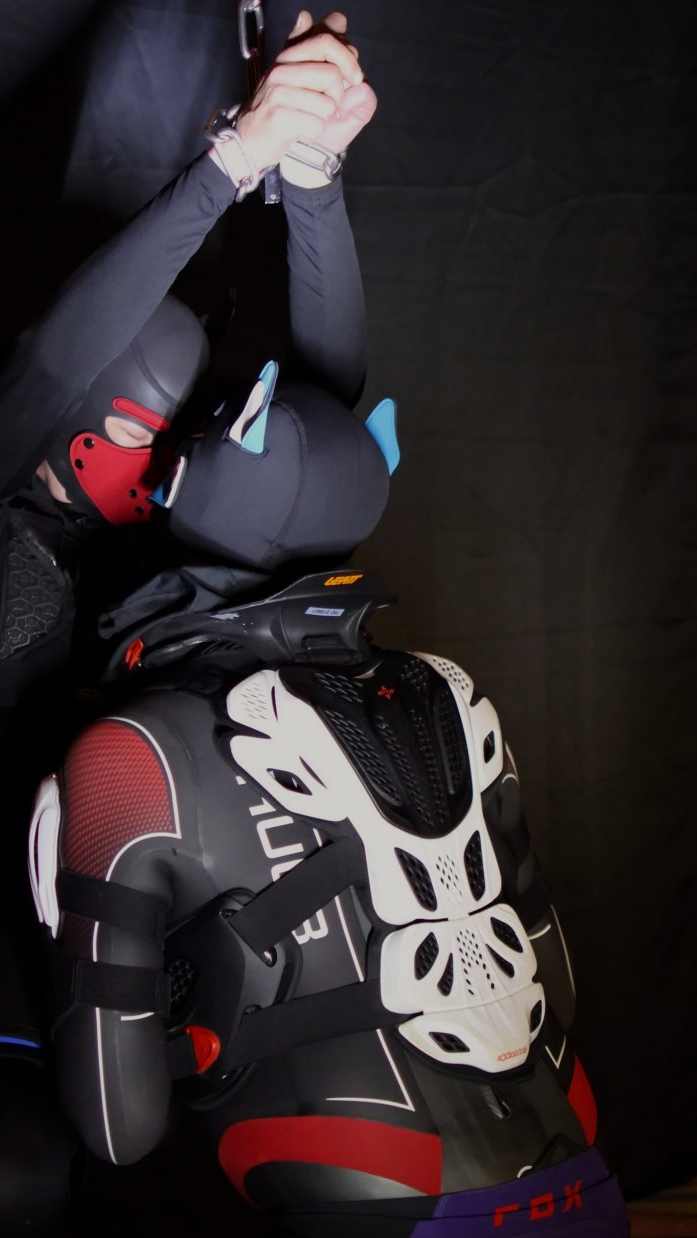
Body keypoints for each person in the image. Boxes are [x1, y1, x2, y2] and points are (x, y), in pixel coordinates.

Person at [29, 358, 629, 1235]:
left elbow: (118, 1126)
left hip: (377, 1207)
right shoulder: (453, 694)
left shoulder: (131, 754)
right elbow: (555, 992)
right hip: (584, 1175)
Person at [0, 12, 378, 1233]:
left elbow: (324, 412)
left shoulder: (164, 539)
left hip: (127, 936)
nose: (165, 457)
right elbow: (58, 364)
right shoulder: (17, 507)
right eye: (134, 433)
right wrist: (229, 162)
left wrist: (310, 177)